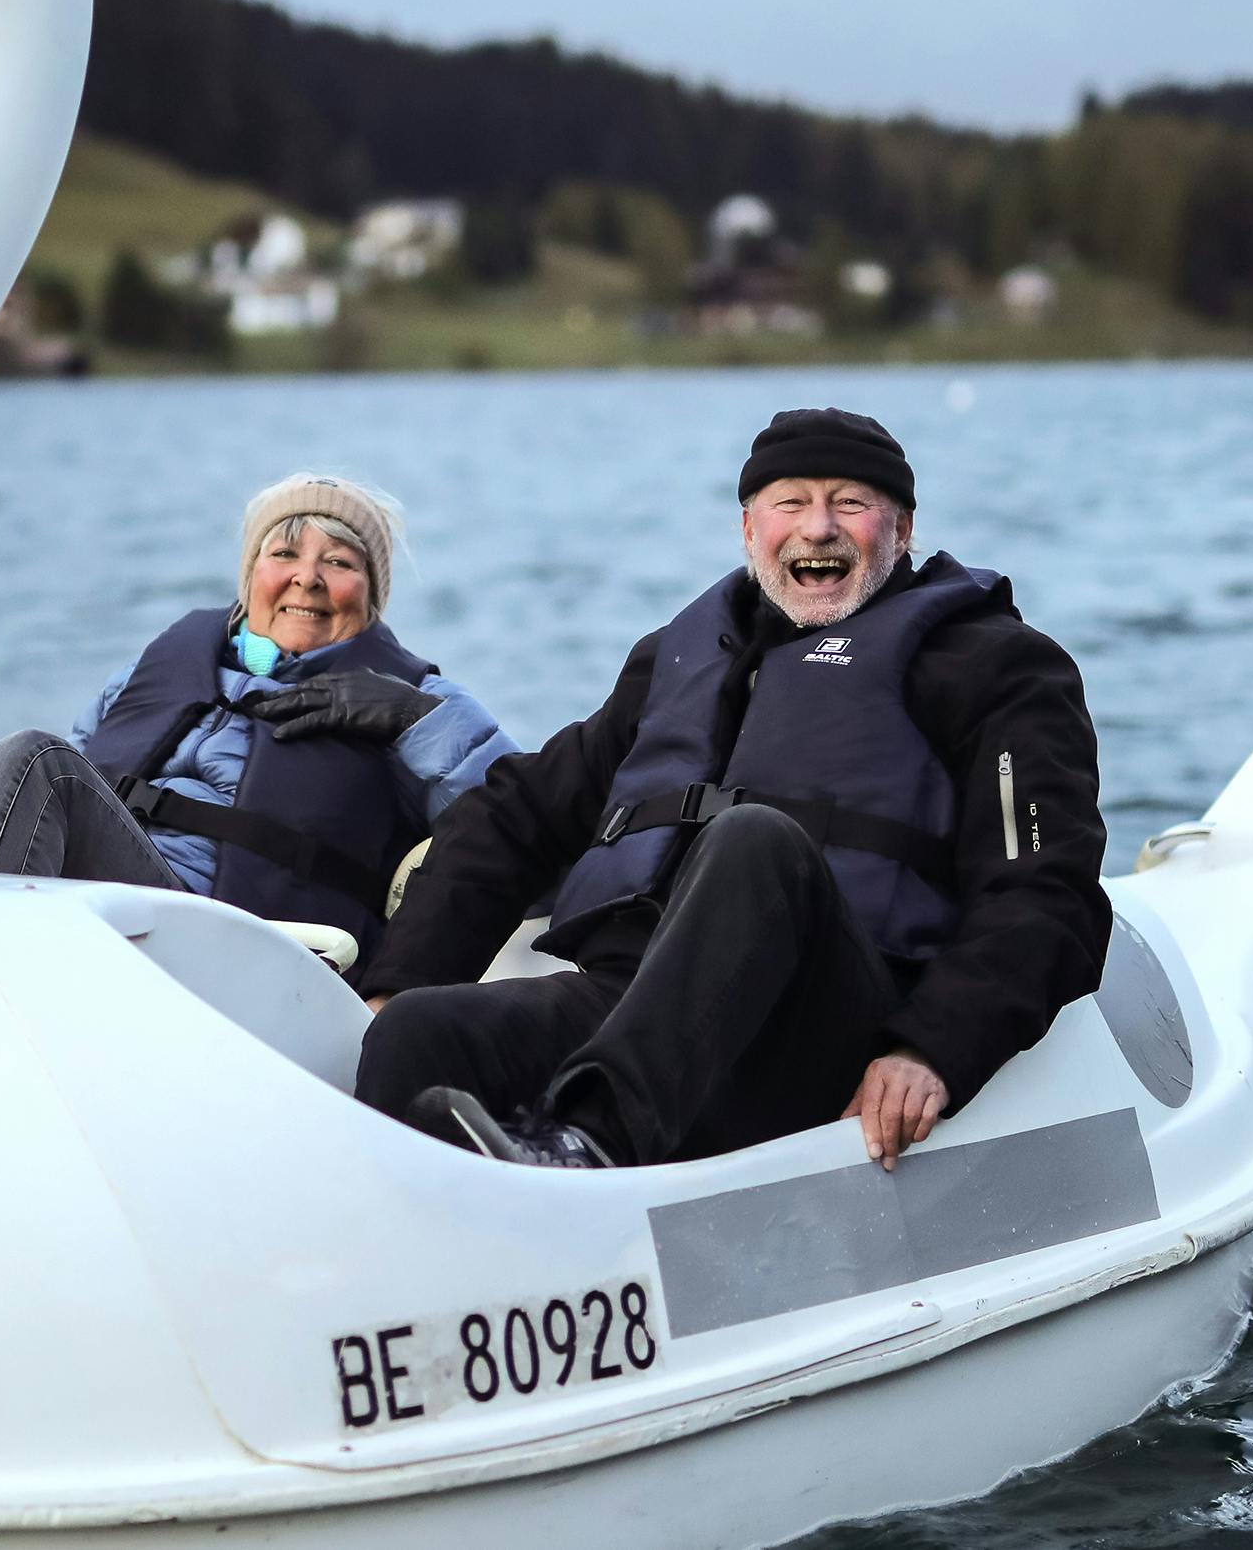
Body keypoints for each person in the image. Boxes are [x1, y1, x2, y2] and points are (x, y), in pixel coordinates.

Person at [352, 408, 1108, 1170]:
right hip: (632, 996)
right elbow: (517, 811)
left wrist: (931, 1046)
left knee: (755, 838)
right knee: (417, 1030)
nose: (817, 528)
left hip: (823, 1026)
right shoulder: (677, 660)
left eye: (849, 502)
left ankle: (591, 1146)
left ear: (902, 529)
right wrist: (389, 985)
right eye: (790, 503)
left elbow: (1047, 891)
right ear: (750, 530)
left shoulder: (993, 665)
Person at [0, 473, 516, 956]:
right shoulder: (155, 670)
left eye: (339, 561)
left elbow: (526, 846)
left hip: (247, 943)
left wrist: (419, 718)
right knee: (32, 766)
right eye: (284, 553)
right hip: (101, 910)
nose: (308, 577)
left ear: (371, 597)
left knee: (34, 760)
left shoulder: (417, 703)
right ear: (250, 578)